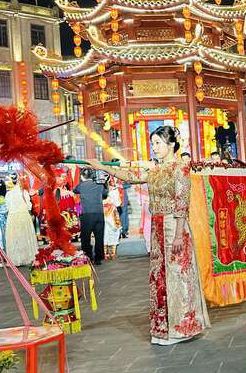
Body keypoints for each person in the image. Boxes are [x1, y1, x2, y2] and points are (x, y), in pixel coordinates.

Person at [89, 126, 210, 345]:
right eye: (153, 143)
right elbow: (131, 177)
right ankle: (163, 328)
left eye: (157, 143)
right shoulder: (155, 169)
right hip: (157, 227)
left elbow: (182, 202)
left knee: (178, 276)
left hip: (174, 226)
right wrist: (102, 167)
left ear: (171, 144)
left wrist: (179, 235)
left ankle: (182, 328)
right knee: (159, 277)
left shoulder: (180, 167)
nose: (154, 148)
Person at [74, 168, 107, 265]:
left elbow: (75, 190)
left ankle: (88, 256)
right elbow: (105, 193)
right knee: (99, 237)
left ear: (81, 176)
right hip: (99, 214)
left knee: (85, 237)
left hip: (87, 214)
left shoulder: (81, 185)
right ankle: (98, 258)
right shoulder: (99, 185)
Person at [4, 174, 39, 267]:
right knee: (26, 237)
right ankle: (28, 258)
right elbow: (29, 206)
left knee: (15, 239)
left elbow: (6, 207)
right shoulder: (24, 192)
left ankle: (16, 259)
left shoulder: (8, 194)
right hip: (24, 217)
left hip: (12, 218)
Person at [103, 175, 123, 259]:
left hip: (103, 213)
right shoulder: (114, 190)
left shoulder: (99, 189)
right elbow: (118, 203)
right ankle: (113, 253)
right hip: (111, 213)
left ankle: (105, 253)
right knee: (114, 231)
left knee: (104, 231)